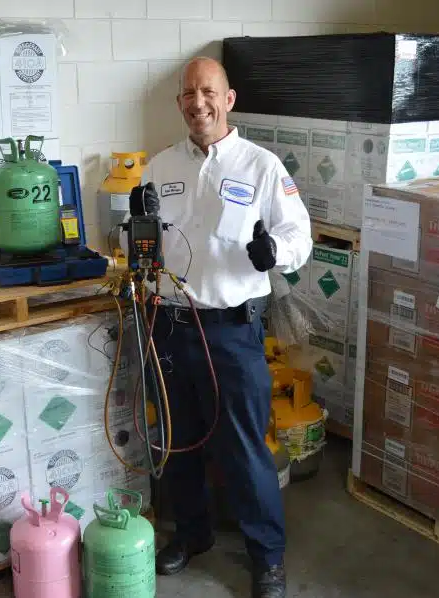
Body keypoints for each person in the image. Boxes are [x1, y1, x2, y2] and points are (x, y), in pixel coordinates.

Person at [122, 56, 313, 598]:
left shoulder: (261, 166)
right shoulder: (160, 166)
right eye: (188, 94)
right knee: (178, 441)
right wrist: (136, 229)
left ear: (228, 100)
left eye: (208, 92)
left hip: (232, 332)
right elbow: (146, 244)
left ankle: (267, 557)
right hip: (171, 325)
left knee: (243, 447)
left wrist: (274, 249)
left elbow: (301, 236)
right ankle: (192, 533)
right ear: (180, 102)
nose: (198, 103)